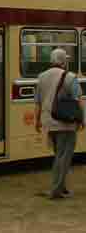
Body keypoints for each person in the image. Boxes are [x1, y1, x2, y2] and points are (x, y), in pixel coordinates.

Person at [35, 48, 82, 199]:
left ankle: (61, 187)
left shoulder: (41, 77)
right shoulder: (70, 77)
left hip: (49, 123)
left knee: (58, 155)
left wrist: (37, 121)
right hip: (66, 123)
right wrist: (82, 120)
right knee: (64, 157)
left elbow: (37, 102)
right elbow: (78, 101)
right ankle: (56, 190)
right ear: (64, 61)